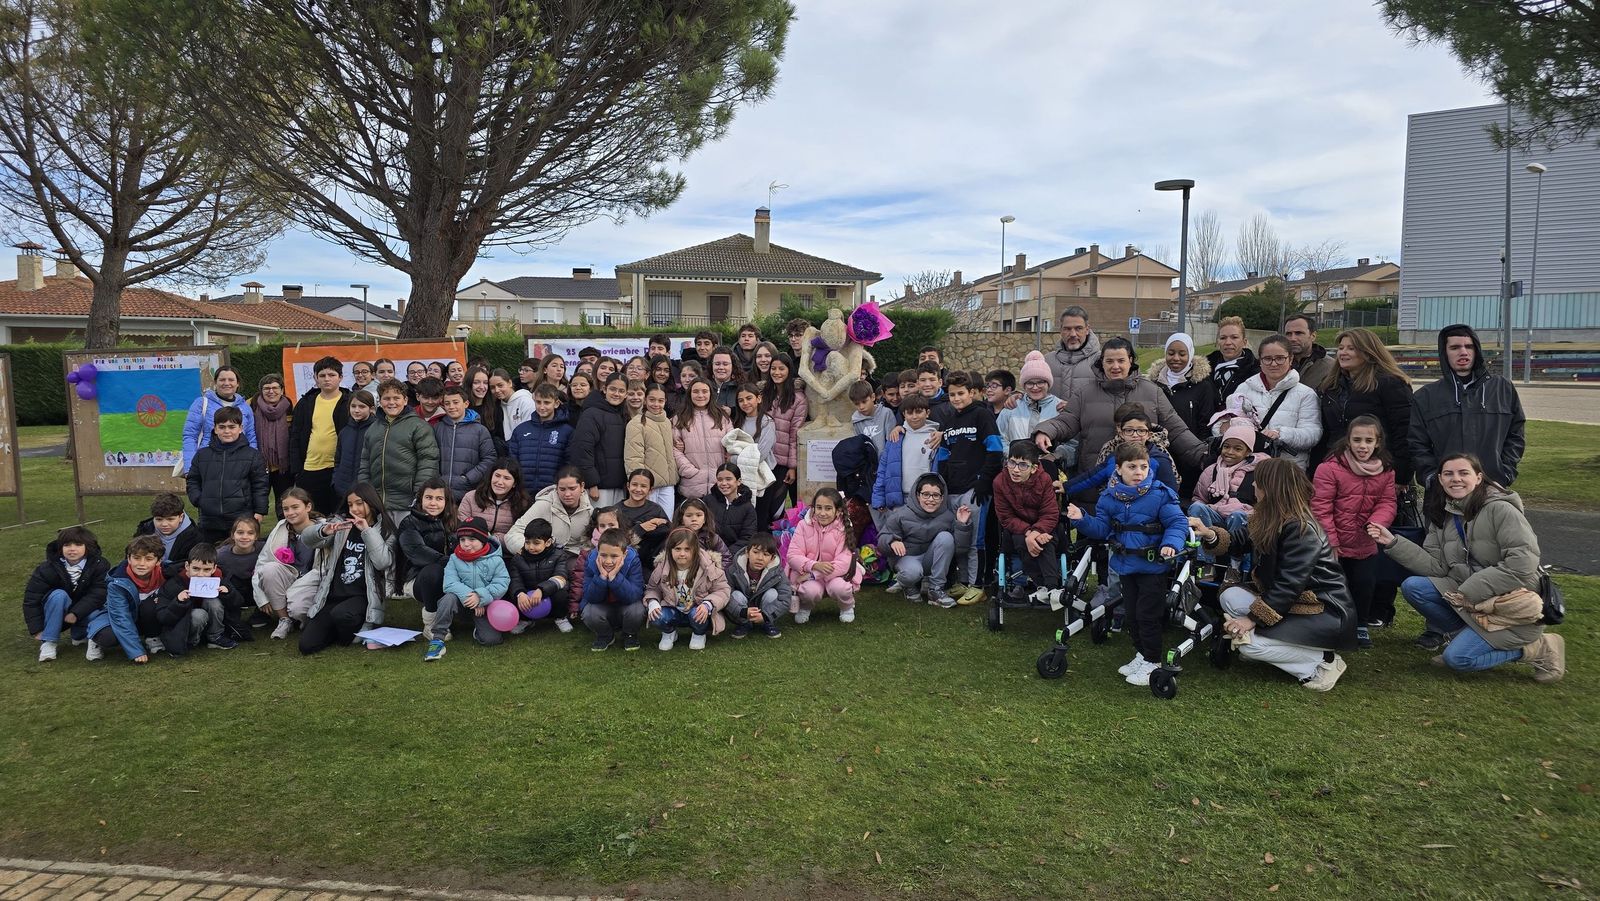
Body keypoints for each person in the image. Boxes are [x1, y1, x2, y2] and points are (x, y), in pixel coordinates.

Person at [1368, 453, 1562, 681]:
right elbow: (1437, 567)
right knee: (1414, 587)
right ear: (1440, 479)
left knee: (1458, 660)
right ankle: (1463, 636)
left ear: (1479, 478)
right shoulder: (1443, 514)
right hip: (1472, 600)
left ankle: (1538, 648)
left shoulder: (1501, 510)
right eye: (1448, 474)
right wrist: (1393, 542)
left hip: (1514, 608)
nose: (1455, 479)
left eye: (1463, 473)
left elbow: (1522, 564)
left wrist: (1469, 590)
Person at [1192, 458, 1357, 691]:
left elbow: (1290, 585)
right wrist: (1209, 534)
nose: (1253, 486)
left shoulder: (1301, 529)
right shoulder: (1268, 517)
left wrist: (1251, 620)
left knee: (1248, 646)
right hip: (1293, 603)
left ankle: (1321, 663)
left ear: (1272, 487)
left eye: (1258, 482)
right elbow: (1238, 541)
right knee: (1229, 598)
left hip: (1323, 610)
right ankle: (1279, 644)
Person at [1066, 443, 1188, 687]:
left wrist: (1171, 544)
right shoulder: (1109, 498)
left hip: (1152, 568)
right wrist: (1082, 519)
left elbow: (1177, 522)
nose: (1138, 472)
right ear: (1119, 469)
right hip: (1125, 566)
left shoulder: (1159, 494)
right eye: (1132, 467)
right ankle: (1141, 654)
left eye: (1143, 467)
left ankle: (1152, 661)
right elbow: (1102, 529)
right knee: (1131, 615)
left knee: (1148, 616)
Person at [1034, 337, 1207, 500]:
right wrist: (1045, 431)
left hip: (1142, 489)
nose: (1115, 366)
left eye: (1121, 360)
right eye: (1109, 361)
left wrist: (1204, 455)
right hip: (1095, 485)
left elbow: (1176, 430)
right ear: (1101, 362)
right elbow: (1066, 420)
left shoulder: (1152, 392)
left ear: (1130, 361)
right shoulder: (1084, 393)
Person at [1312, 415, 1396, 650]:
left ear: (1377, 443)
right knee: (1336, 584)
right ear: (1348, 441)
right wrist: (1331, 542)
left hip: (1365, 541)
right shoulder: (1329, 468)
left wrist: (1378, 522)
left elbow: (1387, 501)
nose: (1363, 446)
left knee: (1364, 583)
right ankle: (1334, 625)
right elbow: (1321, 506)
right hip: (1335, 541)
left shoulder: (1386, 470)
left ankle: (1360, 624)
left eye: (1369, 441)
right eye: (1357, 440)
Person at [1407, 324, 1526, 488]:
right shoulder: (1425, 396)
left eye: (1469, 346)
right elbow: (1417, 444)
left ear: (1476, 350)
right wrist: (1431, 478)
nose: (1463, 352)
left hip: (1492, 487)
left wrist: (1505, 473)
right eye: (1455, 347)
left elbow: (1516, 435)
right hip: (1444, 494)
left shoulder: (1503, 389)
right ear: (1445, 352)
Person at [929, 371, 1005, 601]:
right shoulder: (950, 421)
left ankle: (978, 584)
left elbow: (995, 450)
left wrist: (984, 480)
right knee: (959, 536)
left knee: (975, 538)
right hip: (953, 488)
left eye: (961, 393)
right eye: (952, 394)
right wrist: (940, 482)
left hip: (976, 488)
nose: (956, 398)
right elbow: (943, 454)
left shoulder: (982, 415)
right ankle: (963, 581)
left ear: (971, 392)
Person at [296, 483, 396, 656]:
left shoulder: (385, 529)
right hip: (333, 595)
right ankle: (343, 631)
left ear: (371, 502)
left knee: (342, 616)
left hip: (363, 596)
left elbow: (382, 562)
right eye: (350, 505)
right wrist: (324, 531)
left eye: (359, 503)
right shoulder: (341, 524)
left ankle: (353, 629)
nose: (354, 509)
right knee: (306, 646)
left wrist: (366, 530)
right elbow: (307, 540)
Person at [1315, 328, 1414, 484]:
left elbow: (1404, 432)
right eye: (1341, 348)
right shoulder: (1329, 387)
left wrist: (1401, 476)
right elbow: (1326, 432)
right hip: (1337, 470)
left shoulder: (1391, 384)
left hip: (1378, 470)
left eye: (1351, 348)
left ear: (1368, 352)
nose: (1343, 353)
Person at [878, 474, 972, 608]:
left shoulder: (948, 516)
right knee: (912, 573)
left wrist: (961, 525)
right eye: (926, 494)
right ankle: (907, 585)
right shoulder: (900, 514)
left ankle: (935, 590)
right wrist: (892, 541)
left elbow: (960, 550)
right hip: (907, 558)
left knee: (946, 537)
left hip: (929, 559)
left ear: (942, 497)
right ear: (917, 495)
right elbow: (881, 541)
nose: (931, 499)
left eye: (936, 495)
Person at [424, 517, 511, 659]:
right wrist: (472, 596)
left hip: (485, 606)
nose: (466, 544)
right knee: (448, 598)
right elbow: (450, 583)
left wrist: (481, 597)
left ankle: (478, 631)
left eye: (472, 539)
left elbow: (502, 583)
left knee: (492, 640)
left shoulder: (496, 559)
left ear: (483, 540)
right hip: (462, 603)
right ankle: (438, 639)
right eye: (462, 539)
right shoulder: (454, 558)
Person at [1230, 335, 1322, 469]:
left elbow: (1312, 434)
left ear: (1290, 359)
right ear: (1260, 361)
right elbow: (1229, 423)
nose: (1273, 364)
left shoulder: (1306, 394)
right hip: (1247, 469)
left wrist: (1281, 434)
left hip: (1287, 471)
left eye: (1280, 358)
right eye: (1267, 359)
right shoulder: (1244, 388)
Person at [357, 379, 441, 520]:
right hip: (377, 504)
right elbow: (365, 464)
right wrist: (365, 493)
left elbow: (428, 462)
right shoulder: (373, 429)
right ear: (380, 401)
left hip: (407, 504)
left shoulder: (418, 426)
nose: (391, 402)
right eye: (386, 398)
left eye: (396, 398)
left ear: (405, 400)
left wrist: (420, 495)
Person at [185, 405, 269, 544]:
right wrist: (199, 500)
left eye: (231, 427)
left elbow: (260, 485)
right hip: (209, 519)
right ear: (215, 428)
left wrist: (260, 511)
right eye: (222, 427)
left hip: (241, 518)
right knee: (210, 558)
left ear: (240, 428)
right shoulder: (202, 455)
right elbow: (193, 480)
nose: (227, 431)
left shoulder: (252, 455)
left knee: (240, 557)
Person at [1187, 419, 1269, 562]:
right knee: (1196, 507)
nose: (1230, 452)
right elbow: (1199, 497)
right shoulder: (1211, 470)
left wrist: (1246, 511)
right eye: (1226, 447)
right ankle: (1204, 562)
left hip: (1244, 517)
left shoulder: (1259, 472)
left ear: (1248, 451)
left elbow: (1264, 506)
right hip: (1216, 513)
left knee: (1237, 515)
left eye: (1237, 449)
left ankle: (1235, 566)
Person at [24, 526, 109, 662]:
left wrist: (76, 613)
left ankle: (86, 637)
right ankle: (49, 642)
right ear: (60, 547)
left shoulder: (100, 564)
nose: (72, 549)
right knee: (58, 595)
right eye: (67, 545)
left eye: (78, 544)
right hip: (57, 611)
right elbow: (31, 598)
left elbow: (99, 593)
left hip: (85, 610)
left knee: (99, 610)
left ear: (88, 547)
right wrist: (37, 629)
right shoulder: (47, 568)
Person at [990, 440, 1062, 601]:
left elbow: (1050, 513)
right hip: (1016, 529)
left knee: (1045, 540)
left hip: (1044, 526)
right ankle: (1042, 585)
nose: (1015, 469)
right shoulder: (999, 482)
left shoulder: (1044, 480)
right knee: (1022, 540)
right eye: (1012, 463)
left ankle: (1052, 588)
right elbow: (1006, 517)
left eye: (1023, 465)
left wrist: (1036, 531)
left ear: (1034, 468)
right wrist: (1029, 532)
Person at [251, 486, 323, 639]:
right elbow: (262, 563)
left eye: (295, 507)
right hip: (287, 578)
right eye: (286, 509)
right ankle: (284, 619)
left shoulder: (322, 529)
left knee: (298, 609)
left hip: (313, 581)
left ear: (308, 506)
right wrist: (261, 597)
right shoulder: (280, 528)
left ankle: (301, 617)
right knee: (269, 569)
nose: (290, 513)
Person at [646, 526, 731, 651]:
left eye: (687, 549)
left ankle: (699, 633)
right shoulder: (662, 567)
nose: (682, 553)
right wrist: (653, 602)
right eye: (677, 549)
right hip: (672, 609)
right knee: (658, 616)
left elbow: (723, 590)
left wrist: (708, 604)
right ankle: (669, 632)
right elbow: (652, 588)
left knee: (697, 613)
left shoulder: (708, 567)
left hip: (697, 610)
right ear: (670, 550)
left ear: (695, 550)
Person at [784, 487, 861, 624]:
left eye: (828, 508)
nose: (822, 513)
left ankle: (847, 606)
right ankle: (806, 606)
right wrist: (813, 565)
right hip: (809, 573)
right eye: (818, 508)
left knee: (840, 588)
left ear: (837, 511)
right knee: (809, 591)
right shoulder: (803, 525)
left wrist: (814, 574)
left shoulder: (843, 528)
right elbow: (793, 555)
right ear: (813, 508)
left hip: (836, 576)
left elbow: (843, 563)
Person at [85, 535, 163, 664]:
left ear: (158, 561)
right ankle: (95, 640)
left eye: (149, 559)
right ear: (128, 558)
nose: (142, 564)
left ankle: (152, 637)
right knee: (108, 636)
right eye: (136, 558)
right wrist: (136, 651)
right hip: (115, 617)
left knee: (153, 606)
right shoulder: (117, 583)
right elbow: (121, 617)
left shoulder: (165, 572)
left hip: (142, 616)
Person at [288, 356, 351, 513]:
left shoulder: (350, 402)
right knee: (313, 515)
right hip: (310, 469)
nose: (327, 379)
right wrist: (297, 469)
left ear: (340, 377)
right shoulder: (305, 403)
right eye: (322, 375)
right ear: (315, 378)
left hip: (337, 469)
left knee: (339, 515)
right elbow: (295, 436)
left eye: (332, 375)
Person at [398, 478, 457, 641]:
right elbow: (418, 551)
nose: (433, 503)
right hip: (417, 578)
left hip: (449, 573)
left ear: (446, 501)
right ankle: (431, 624)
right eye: (428, 497)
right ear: (420, 499)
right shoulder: (409, 523)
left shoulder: (452, 521)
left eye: (439, 499)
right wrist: (452, 564)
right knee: (433, 572)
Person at [152, 543, 234, 656]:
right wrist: (178, 602)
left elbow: (238, 602)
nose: (200, 574)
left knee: (213, 602)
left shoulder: (218, 577)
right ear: (187, 566)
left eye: (206, 570)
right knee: (198, 614)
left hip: (209, 623)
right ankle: (191, 641)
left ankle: (215, 637)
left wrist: (227, 593)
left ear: (214, 568)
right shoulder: (174, 583)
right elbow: (163, 617)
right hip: (183, 626)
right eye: (195, 568)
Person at [181, 365, 258, 474]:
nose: (227, 383)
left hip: (239, 464)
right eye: (222, 380)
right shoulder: (201, 403)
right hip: (208, 463)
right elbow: (190, 436)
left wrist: (253, 465)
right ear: (215, 383)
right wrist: (190, 468)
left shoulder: (245, 407)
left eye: (231, 380)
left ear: (237, 383)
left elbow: (251, 437)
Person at [872, 393, 939, 518]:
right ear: (904, 414)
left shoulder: (935, 437)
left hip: (926, 500)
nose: (914, 417)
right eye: (909, 413)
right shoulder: (896, 437)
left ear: (927, 412)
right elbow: (883, 470)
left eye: (918, 412)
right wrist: (878, 498)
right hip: (899, 500)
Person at [580, 526, 647, 652]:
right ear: (597, 551)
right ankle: (605, 635)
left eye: (614, 556)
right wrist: (601, 577)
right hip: (602, 605)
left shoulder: (633, 560)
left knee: (637, 610)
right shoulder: (591, 560)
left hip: (626, 606)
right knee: (589, 612)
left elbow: (634, 595)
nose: (608, 561)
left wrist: (614, 577)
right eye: (603, 555)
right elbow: (590, 597)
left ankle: (629, 634)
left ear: (624, 553)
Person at [505, 466, 595, 556]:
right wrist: (531, 552)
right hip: (543, 558)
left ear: (582, 486)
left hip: (575, 559)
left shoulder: (590, 511)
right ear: (556, 488)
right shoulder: (543, 505)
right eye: (562, 489)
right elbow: (513, 534)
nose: (567, 494)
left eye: (572, 489)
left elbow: (593, 544)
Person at [505, 518, 575, 635]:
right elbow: (515, 580)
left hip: (549, 594)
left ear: (547, 542)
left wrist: (542, 590)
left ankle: (560, 617)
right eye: (527, 542)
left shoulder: (559, 555)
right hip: (528, 595)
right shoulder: (518, 558)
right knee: (514, 594)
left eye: (536, 543)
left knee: (561, 594)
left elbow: (560, 578)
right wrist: (520, 593)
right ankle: (525, 619)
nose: (531, 547)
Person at [569, 374, 629, 507]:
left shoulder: (623, 414)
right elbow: (583, 450)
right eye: (613, 389)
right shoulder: (591, 414)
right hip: (599, 489)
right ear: (604, 389)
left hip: (619, 487)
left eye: (621, 391)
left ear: (626, 394)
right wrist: (592, 483)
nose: (616, 394)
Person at [761, 354, 807, 527]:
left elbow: (796, 433)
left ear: (789, 370)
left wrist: (792, 467)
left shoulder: (798, 399)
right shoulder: (764, 394)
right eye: (773, 368)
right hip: (763, 459)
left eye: (781, 368)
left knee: (777, 509)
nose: (777, 372)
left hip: (782, 463)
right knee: (762, 506)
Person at [507, 384, 573, 497]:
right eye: (538, 402)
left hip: (553, 493)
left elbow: (569, 463)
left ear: (556, 403)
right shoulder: (521, 430)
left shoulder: (567, 431)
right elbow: (513, 462)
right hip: (523, 492)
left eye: (547, 402)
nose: (542, 407)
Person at [434, 385, 497, 501]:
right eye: (447, 403)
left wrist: (468, 478)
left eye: (456, 402)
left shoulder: (480, 430)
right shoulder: (438, 428)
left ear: (466, 404)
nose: (451, 407)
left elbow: (489, 458)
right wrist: (438, 478)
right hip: (441, 492)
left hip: (468, 492)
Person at [672, 379, 731, 501]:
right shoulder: (680, 417)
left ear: (711, 393)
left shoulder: (722, 416)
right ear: (689, 394)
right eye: (696, 392)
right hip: (691, 484)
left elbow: (733, 443)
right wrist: (689, 470)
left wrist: (726, 468)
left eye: (705, 391)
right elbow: (673, 448)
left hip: (719, 484)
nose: (700, 395)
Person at [625, 383, 678, 518]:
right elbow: (633, 458)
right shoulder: (636, 423)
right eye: (652, 400)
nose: (656, 404)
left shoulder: (667, 422)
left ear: (665, 401)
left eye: (660, 401)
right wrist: (642, 485)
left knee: (667, 523)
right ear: (645, 400)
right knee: (648, 523)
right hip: (649, 486)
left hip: (667, 484)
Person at [997, 352, 1064, 446]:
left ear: (1048, 384)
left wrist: (1054, 457)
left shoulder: (1060, 407)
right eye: (1030, 383)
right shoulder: (1012, 406)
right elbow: (1000, 437)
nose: (1035, 387)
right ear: (1024, 385)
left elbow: (1070, 443)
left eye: (1040, 382)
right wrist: (1012, 454)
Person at [458, 461, 532, 544]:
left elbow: (522, 535)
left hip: (507, 552)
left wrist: (494, 539)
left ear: (514, 483)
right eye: (497, 476)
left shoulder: (523, 503)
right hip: (473, 549)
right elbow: (462, 527)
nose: (500, 482)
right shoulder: (471, 497)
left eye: (506, 478)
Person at [250, 374, 293, 513]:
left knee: (285, 504)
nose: (271, 391)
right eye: (266, 388)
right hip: (259, 465)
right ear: (260, 391)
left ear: (282, 390)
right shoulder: (251, 404)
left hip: (283, 466)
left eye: (275, 387)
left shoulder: (289, 406)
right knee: (255, 504)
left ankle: (287, 532)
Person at [214, 516, 261, 641]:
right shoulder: (220, 555)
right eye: (240, 532)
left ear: (256, 536)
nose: (245, 537)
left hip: (255, 589)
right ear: (233, 535)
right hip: (233, 590)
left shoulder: (264, 550)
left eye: (250, 533)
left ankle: (261, 614)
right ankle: (232, 619)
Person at [134, 492, 199, 579]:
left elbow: (192, 565)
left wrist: (164, 568)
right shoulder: (145, 530)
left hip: (176, 580)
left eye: (170, 519)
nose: (164, 524)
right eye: (159, 519)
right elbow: (131, 556)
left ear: (181, 517)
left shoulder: (195, 536)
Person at [1045, 307, 1103, 400]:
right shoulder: (1046, 361)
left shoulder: (1101, 361)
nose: (1073, 334)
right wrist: (1017, 396)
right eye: (1067, 329)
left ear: (1087, 329)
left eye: (1078, 328)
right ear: (1060, 330)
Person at [617, 468, 671, 566]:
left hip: (652, 560)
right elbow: (615, 541)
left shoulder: (655, 509)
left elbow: (669, 530)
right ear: (628, 486)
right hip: (626, 562)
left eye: (643, 486)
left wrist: (657, 525)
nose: (638, 489)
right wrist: (641, 528)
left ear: (650, 490)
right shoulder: (617, 510)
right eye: (634, 485)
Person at [330, 389, 378, 500]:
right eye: (353, 406)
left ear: (371, 409)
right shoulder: (345, 431)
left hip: (366, 492)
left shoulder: (376, 430)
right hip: (342, 491)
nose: (356, 410)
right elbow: (338, 460)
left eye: (362, 407)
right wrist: (336, 481)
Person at [1207, 316, 1259, 401]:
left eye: (1234, 337)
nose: (1228, 342)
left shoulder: (1256, 372)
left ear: (1244, 342)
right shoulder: (1203, 369)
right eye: (1223, 338)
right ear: (1218, 342)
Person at [709, 463, 757, 555]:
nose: (723, 483)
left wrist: (726, 554)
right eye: (720, 480)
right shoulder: (708, 501)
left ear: (738, 481)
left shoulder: (747, 508)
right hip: (708, 554)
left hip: (734, 556)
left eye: (728, 479)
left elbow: (747, 537)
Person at [672, 497, 729, 569]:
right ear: (681, 519)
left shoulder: (712, 538)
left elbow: (726, 558)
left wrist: (716, 572)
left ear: (705, 519)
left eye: (699, 515)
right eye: (689, 515)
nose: (694, 519)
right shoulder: (674, 538)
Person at [1282, 314, 1334, 390]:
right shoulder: (1275, 363)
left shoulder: (1330, 367)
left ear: (1313, 336)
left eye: (1298, 333)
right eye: (1288, 334)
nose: (1293, 338)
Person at [489, 369, 536, 443]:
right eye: (492, 387)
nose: (497, 390)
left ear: (510, 383)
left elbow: (530, 432)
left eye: (500, 385)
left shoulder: (525, 401)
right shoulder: (496, 406)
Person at [850, 381, 896, 456]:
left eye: (864, 402)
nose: (861, 407)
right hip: (868, 465)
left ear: (873, 397)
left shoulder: (886, 413)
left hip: (885, 462)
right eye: (857, 404)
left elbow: (892, 442)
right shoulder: (855, 421)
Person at [708, 346, 742, 412]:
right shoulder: (704, 388)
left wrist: (732, 412)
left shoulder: (741, 389)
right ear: (711, 366)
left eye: (725, 364)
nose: (721, 367)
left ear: (733, 366)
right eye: (717, 364)